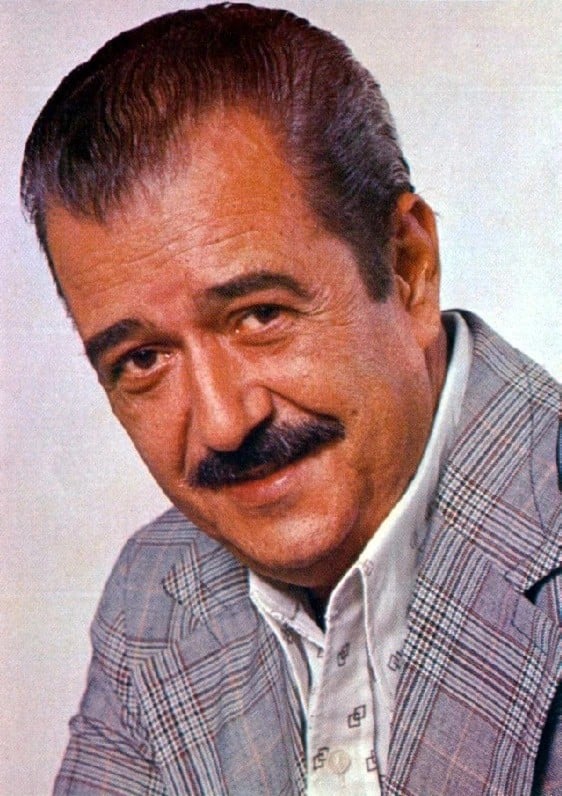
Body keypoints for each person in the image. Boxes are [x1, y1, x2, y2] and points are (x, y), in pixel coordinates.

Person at [21, 4, 560, 794]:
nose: (223, 422)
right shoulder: (154, 595)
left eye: (260, 315)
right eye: (143, 359)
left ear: (407, 268)